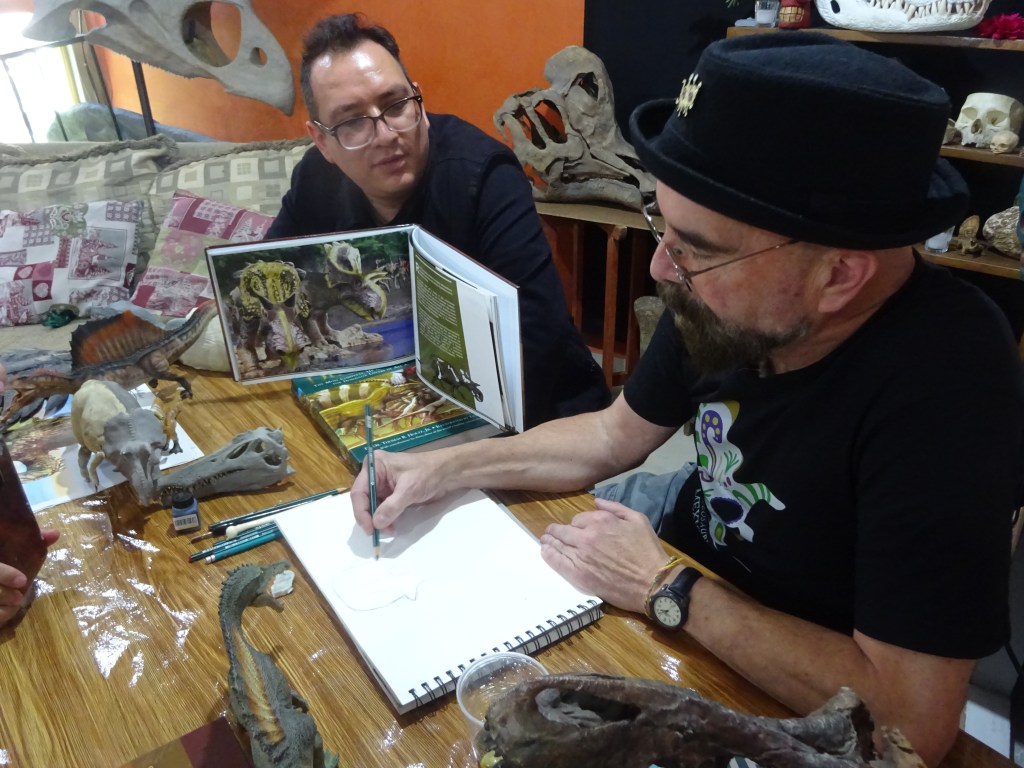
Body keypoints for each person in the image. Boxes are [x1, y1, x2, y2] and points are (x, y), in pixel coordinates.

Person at [350, 33, 1024, 766]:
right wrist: (442, 467)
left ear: (838, 276)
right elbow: (611, 436)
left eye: (695, 247)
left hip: (780, 663)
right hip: (682, 544)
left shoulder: (948, 384)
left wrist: (664, 586)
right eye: (663, 227)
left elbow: (910, 723)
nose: (661, 267)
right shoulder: (725, 288)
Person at [267, 13, 609, 428]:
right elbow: (266, 275)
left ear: (419, 101)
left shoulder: (484, 175)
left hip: (536, 409)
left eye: (396, 105)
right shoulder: (315, 178)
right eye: (352, 121)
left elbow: (538, 335)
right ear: (322, 140)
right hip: (386, 402)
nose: (386, 134)